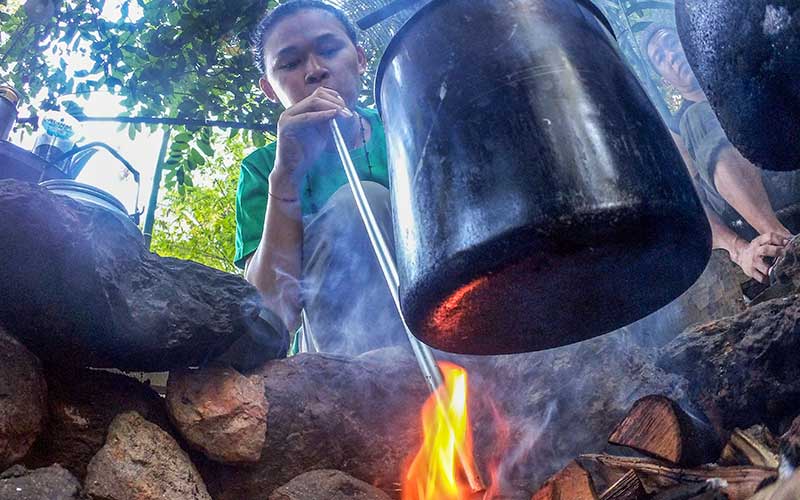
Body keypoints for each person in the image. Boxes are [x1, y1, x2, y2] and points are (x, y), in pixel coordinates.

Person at [234, 0, 406, 354]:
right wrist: (284, 180)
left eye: (329, 49)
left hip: (441, 328)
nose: (314, 70)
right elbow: (268, 312)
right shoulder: (262, 168)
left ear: (360, 58)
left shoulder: (404, 125)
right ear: (269, 89)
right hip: (338, 359)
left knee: (367, 199)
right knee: (355, 204)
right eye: (290, 63)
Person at [643, 24, 798, 283]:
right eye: (660, 58)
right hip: (741, 210)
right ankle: (786, 246)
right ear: (664, 78)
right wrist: (739, 250)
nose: (670, 56)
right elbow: (694, 206)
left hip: (784, 172)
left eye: (671, 43)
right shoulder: (679, 127)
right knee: (697, 117)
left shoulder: (740, 80)